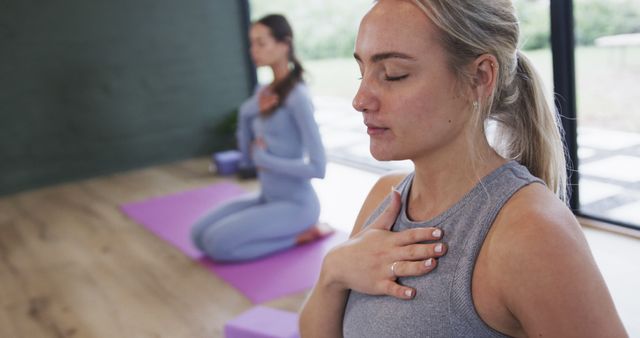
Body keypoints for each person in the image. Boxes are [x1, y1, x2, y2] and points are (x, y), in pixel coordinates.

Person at [299, 0, 627, 337]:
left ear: (480, 77)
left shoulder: (532, 232)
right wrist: (333, 272)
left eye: (394, 74)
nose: (360, 98)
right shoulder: (385, 196)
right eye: (362, 71)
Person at [191, 14, 329, 262]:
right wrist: (247, 112)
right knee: (198, 235)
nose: (253, 50)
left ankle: (301, 236)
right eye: (251, 43)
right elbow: (246, 159)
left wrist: (265, 158)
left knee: (219, 245)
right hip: (267, 197)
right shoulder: (261, 93)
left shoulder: (298, 97)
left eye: (261, 43)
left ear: (284, 44)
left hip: (297, 206)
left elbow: (319, 168)